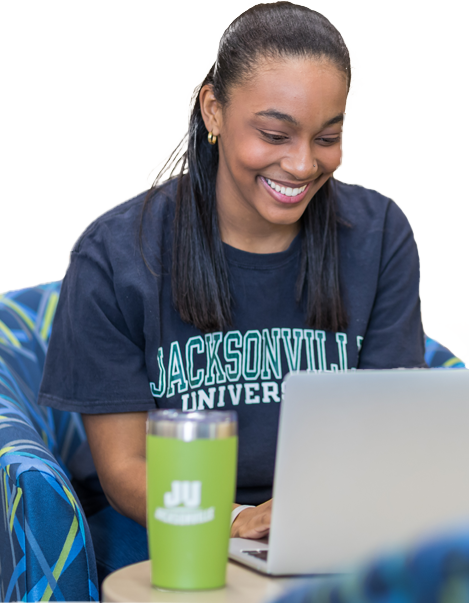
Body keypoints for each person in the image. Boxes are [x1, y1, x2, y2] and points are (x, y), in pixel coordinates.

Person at [38, 1, 426, 580]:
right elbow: (125, 467)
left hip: (329, 531)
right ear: (213, 108)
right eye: (274, 133)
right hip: (166, 527)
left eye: (328, 137)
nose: (301, 165)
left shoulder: (379, 236)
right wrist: (238, 519)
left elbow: (395, 431)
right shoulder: (116, 256)